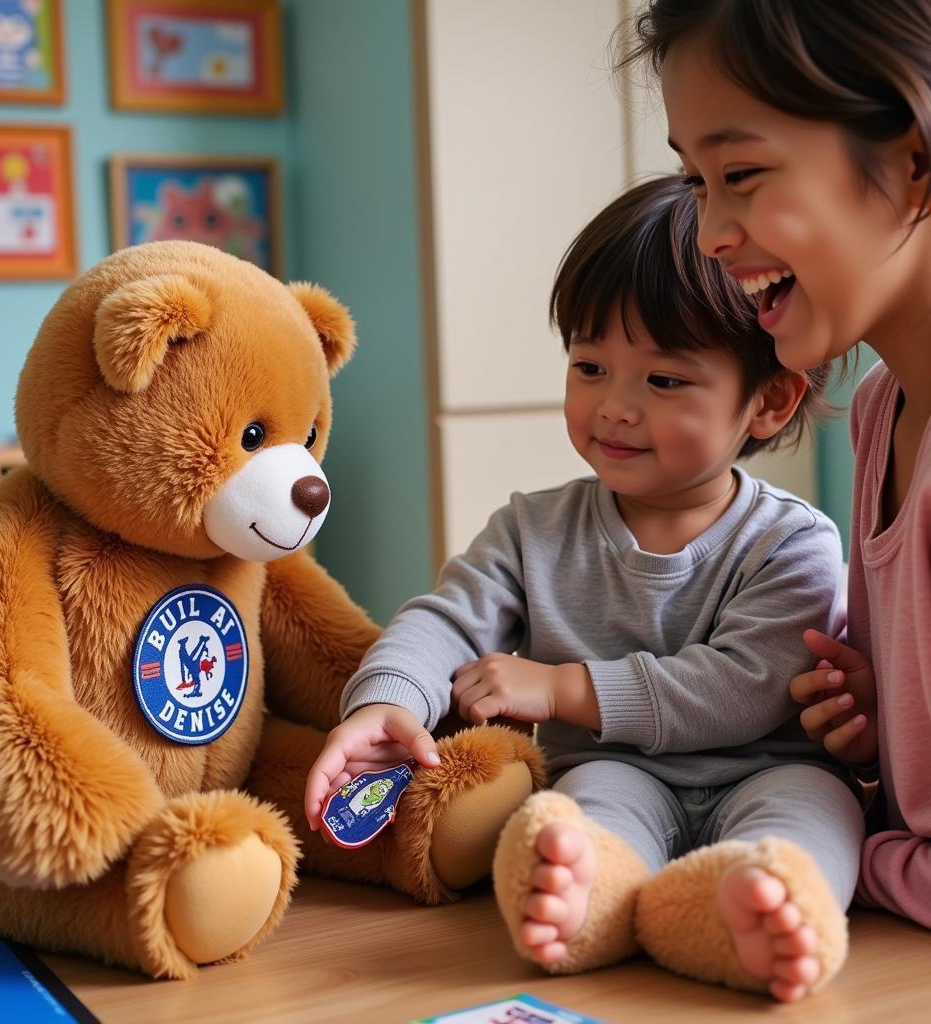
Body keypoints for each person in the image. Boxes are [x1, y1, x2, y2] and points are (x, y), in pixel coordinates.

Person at [305, 174, 865, 1003]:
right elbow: (446, 620)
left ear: (770, 401)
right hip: (618, 771)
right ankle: (588, 901)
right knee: (584, 811)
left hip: (766, 771)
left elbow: (744, 688)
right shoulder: (534, 529)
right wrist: (384, 703)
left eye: (663, 381)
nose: (614, 408)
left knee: (816, 819)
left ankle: (749, 908)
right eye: (590, 365)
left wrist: (564, 686)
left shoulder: (796, 542)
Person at [629, 0, 931, 943]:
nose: (711, 229)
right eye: (694, 178)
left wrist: (849, 856)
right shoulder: (884, 410)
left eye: (743, 174)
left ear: (914, 151)